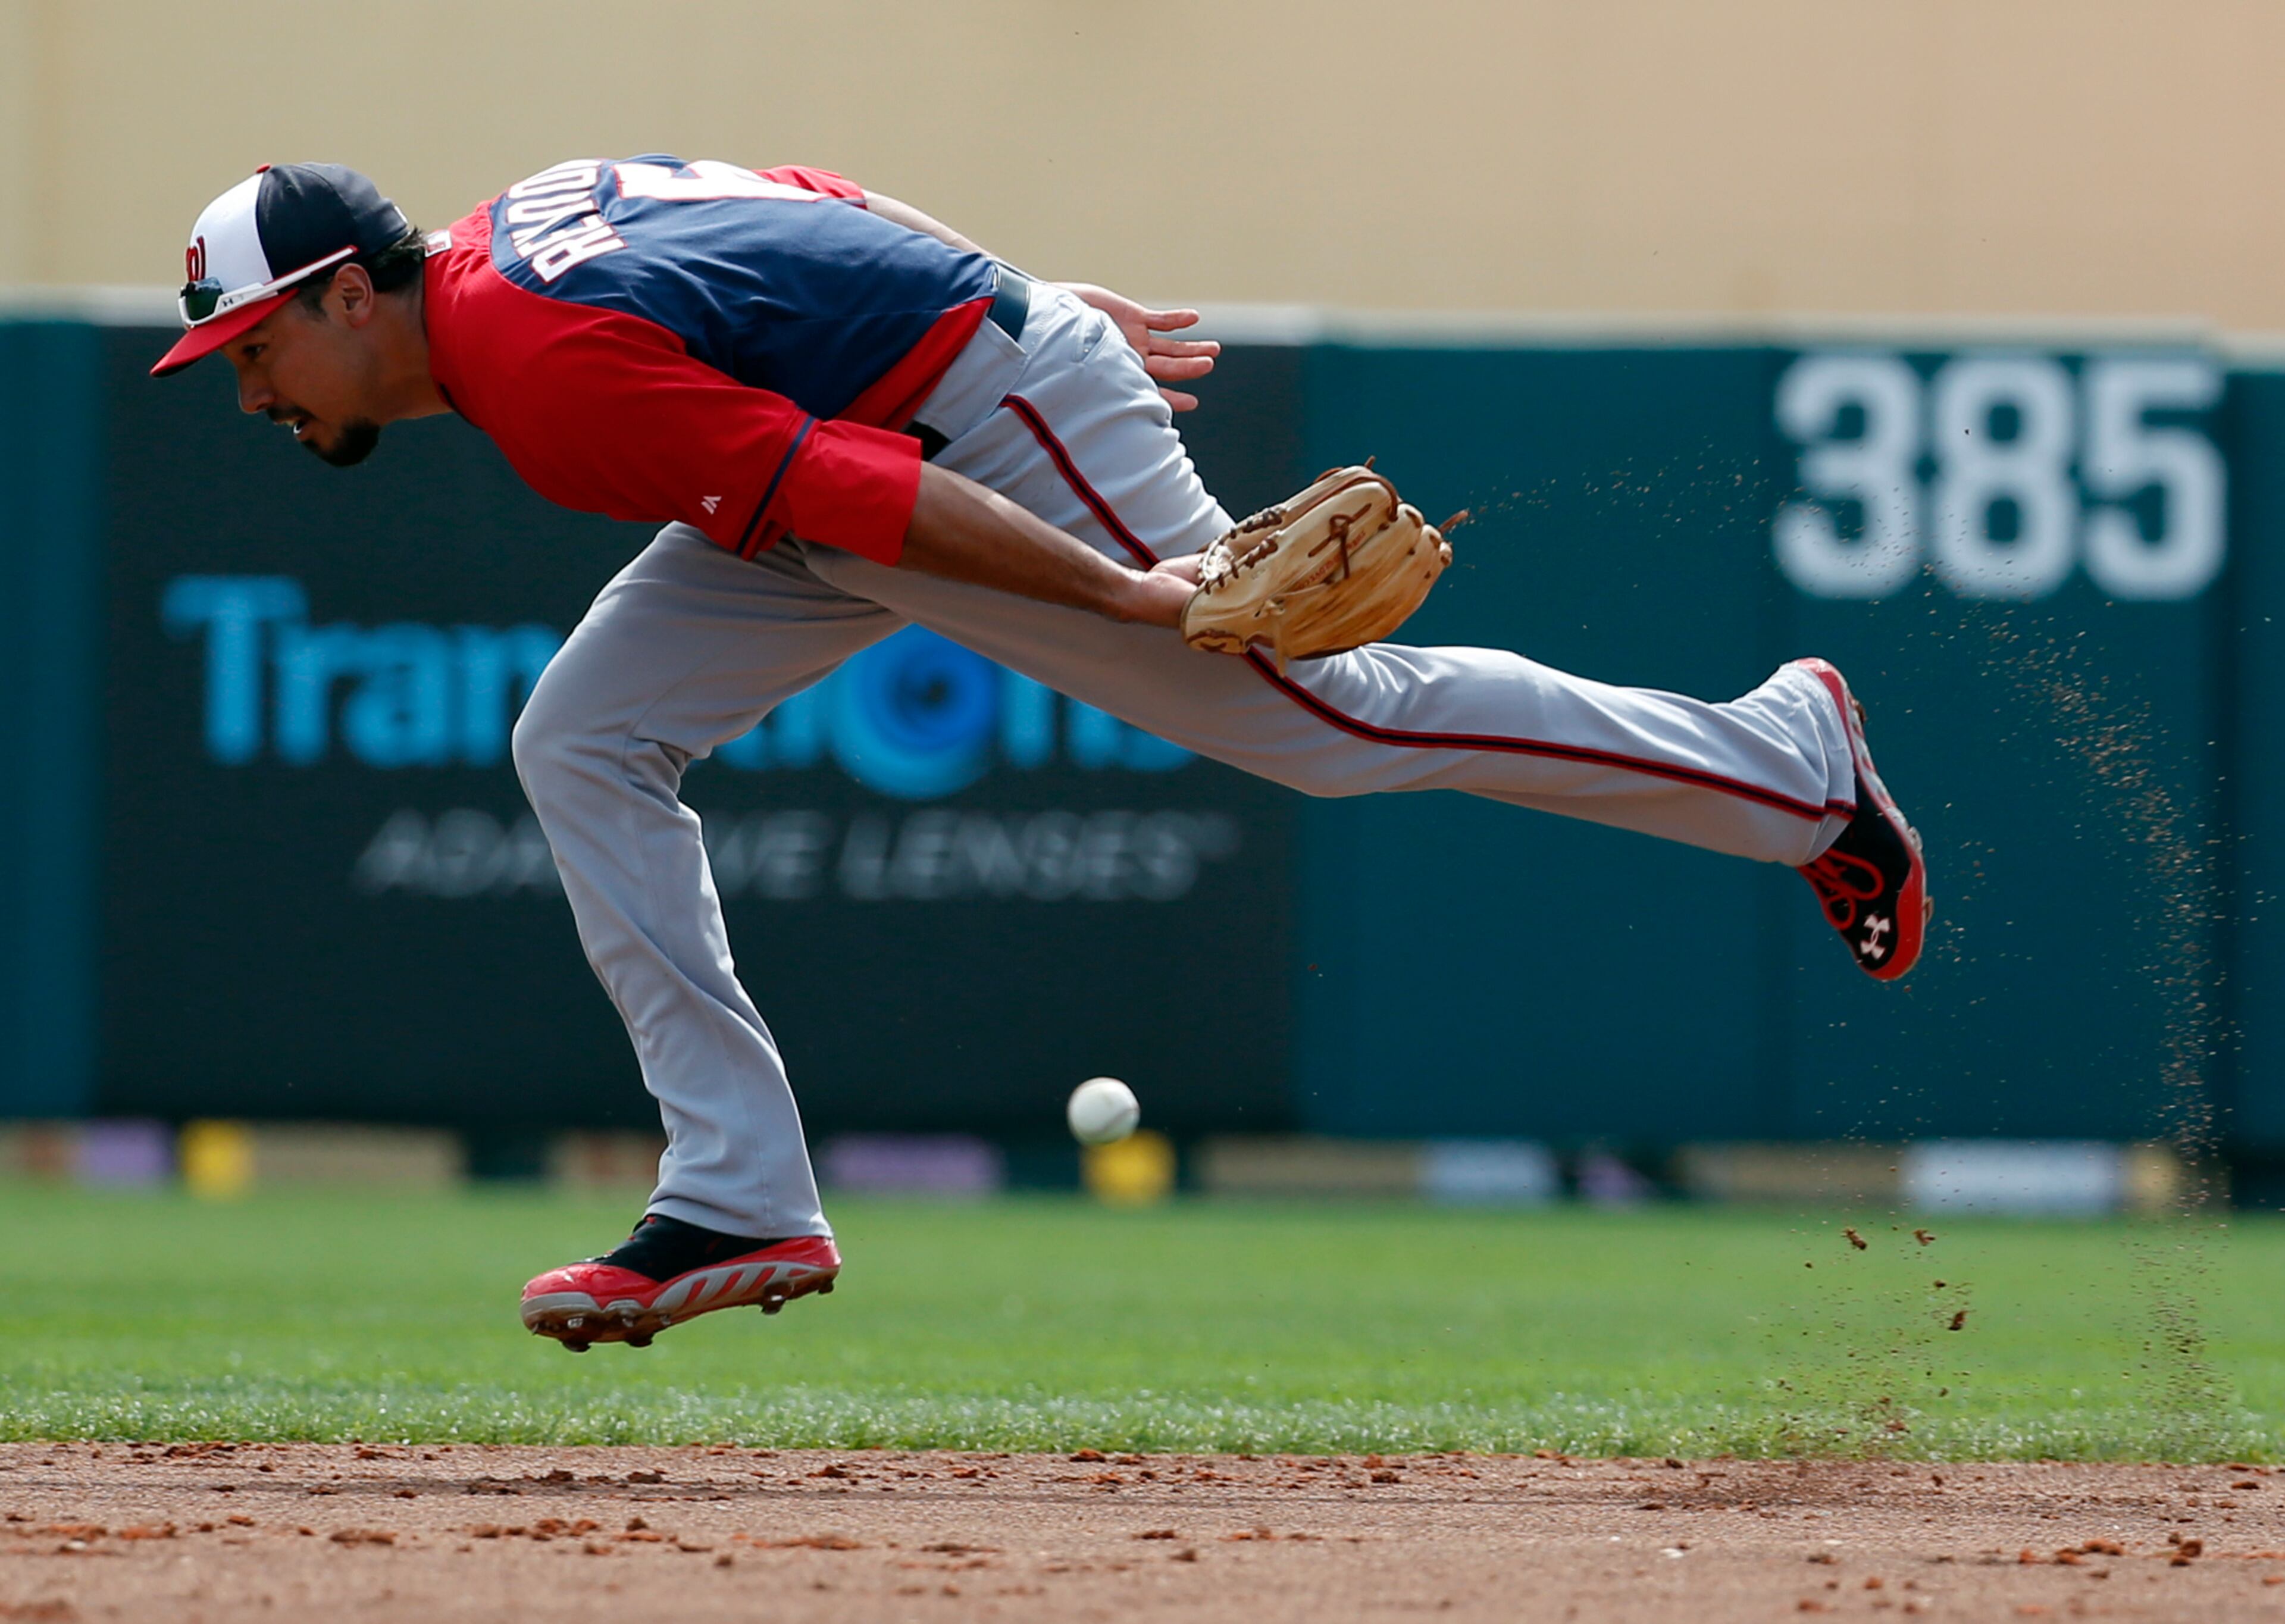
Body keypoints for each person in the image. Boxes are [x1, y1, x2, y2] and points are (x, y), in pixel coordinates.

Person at [155, 158, 1929, 1350]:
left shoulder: (538, 368)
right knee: (586, 734)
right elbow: (806, 204)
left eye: (254, 346)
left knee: (1318, 718)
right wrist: (1013, 288)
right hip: (904, 409)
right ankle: (734, 1194)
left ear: (345, 297)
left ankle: (1788, 762)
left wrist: (1129, 591)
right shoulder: (515, 225)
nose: (248, 391)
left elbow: (879, 496)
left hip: (965, 433)